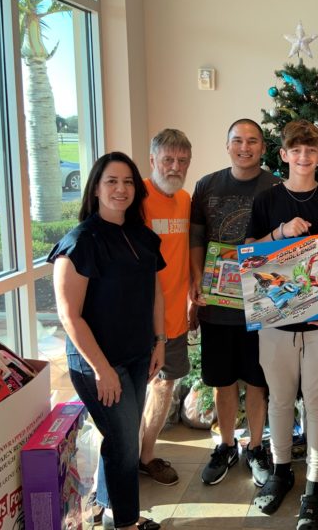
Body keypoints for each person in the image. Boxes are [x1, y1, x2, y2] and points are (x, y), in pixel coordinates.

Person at [247, 119, 318, 530]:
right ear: (284, 154)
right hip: (275, 324)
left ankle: (314, 484)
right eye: (296, 150)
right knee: (278, 400)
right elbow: (248, 254)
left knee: (317, 401)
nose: (304, 157)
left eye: (311, 150)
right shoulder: (267, 200)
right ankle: (280, 472)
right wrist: (280, 232)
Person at [49, 152, 165, 530]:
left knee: (122, 438)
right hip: (98, 363)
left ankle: (108, 506)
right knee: (125, 444)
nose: (121, 189)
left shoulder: (142, 236)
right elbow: (70, 315)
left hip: (137, 355)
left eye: (128, 182)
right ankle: (127, 522)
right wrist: (102, 369)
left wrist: (159, 341)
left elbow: (156, 293)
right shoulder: (81, 242)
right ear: (96, 188)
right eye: (111, 181)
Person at [189, 119, 280, 487]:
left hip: (261, 304)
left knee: (257, 382)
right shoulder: (206, 186)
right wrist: (197, 280)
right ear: (227, 145)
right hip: (217, 304)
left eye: (253, 141)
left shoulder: (276, 186)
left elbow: (285, 247)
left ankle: (256, 447)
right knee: (222, 381)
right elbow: (196, 239)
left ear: (263, 147)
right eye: (238, 141)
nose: (245, 147)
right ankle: (226, 444)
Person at [136, 129, 192, 488]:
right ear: (153, 160)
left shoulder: (185, 200)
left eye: (182, 161)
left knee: (164, 387)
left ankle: (146, 456)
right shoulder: (136, 199)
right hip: (140, 321)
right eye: (168, 159)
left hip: (174, 318)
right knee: (131, 394)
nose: (175, 167)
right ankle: (119, 465)